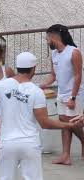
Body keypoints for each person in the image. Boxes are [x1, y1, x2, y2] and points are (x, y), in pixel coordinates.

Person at [0, 52, 84, 180]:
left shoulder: (1, 85)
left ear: (17, 67)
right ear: (33, 69)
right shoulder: (36, 91)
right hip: (30, 144)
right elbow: (45, 123)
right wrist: (69, 125)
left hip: (7, 144)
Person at [40, 24, 84, 165]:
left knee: (73, 123)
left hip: (75, 94)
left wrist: (72, 97)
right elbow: (53, 75)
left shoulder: (74, 52)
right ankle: (65, 155)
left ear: (54, 36)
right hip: (61, 94)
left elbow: (78, 76)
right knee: (64, 122)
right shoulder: (54, 54)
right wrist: (42, 85)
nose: (47, 42)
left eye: (47, 38)